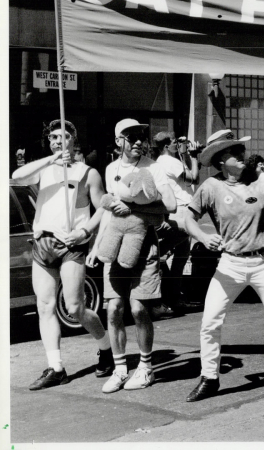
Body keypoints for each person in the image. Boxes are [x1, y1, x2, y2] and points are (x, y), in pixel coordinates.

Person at [182, 130, 264, 401]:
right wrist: (203, 237)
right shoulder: (210, 187)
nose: (242, 154)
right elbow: (188, 219)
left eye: (241, 149)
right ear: (220, 162)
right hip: (230, 265)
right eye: (234, 152)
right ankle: (209, 378)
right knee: (209, 322)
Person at [12, 119, 113, 390]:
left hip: (72, 244)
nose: (58, 140)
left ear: (73, 140)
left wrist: (86, 232)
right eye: (53, 137)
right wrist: (51, 159)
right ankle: (56, 368)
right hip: (43, 243)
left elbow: (103, 206)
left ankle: (106, 348)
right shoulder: (43, 170)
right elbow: (17, 177)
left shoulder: (87, 172)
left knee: (75, 307)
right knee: (44, 306)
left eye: (64, 136)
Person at [88, 119, 176, 393]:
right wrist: (95, 246)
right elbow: (110, 210)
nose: (138, 141)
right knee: (114, 308)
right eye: (130, 136)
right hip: (115, 244)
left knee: (139, 309)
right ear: (118, 142)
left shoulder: (154, 167)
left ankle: (147, 368)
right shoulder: (111, 168)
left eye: (140, 135)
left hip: (144, 242)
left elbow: (169, 206)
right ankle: (120, 368)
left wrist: (135, 210)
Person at [153, 131, 201, 316]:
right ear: (166, 145)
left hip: (172, 210)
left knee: (178, 256)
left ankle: (173, 297)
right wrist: (193, 157)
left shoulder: (158, 163)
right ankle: (172, 297)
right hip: (182, 209)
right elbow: (194, 178)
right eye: (174, 142)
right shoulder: (171, 162)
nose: (177, 144)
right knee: (179, 258)